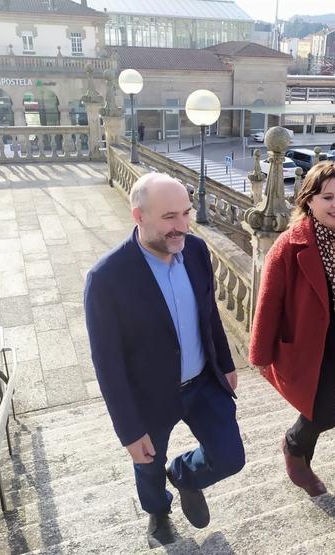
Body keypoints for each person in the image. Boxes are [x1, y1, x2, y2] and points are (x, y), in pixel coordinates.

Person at [84, 173, 245, 547]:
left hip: (203, 382)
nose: (183, 226)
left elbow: (209, 313)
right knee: (148, 466)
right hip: (149, 396)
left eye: (186, 214)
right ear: (138, 215)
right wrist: (128, 429)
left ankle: (185, 475)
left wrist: (224, 361)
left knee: (230, 457)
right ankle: (158, 512)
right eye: (171, 217)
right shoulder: (106, 279)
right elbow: (107, 364)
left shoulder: (197, 252)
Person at [249, 162, 335, 497]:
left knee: (318, 406)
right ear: (309, 200)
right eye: (327, 197)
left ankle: (306, 460)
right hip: (308, 342)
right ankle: (294, 447)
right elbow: (268, 300)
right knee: (325, 412)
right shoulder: (290, 244)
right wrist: (261, 353)